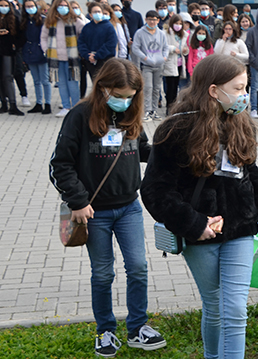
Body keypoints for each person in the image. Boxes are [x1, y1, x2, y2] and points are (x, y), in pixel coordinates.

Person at [140, 54, 258, 359]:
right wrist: (195, 224)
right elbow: (155, 190)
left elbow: (249, 170)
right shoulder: (174, 130)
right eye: (238, 88)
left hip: (242, 228)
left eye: (246, 88)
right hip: (200, 234)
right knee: (216, 305)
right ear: (213, 90)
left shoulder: (239, 122)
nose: (244, 95)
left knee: (235, 308)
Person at [48, 57, 167, 358]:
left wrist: (172, 152)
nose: (125, 102)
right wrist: (78, 201)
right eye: (119, 95)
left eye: (130, 97)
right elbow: (59, 164)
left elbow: (143, 151)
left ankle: (138, 327)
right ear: (102, 88)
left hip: (129, 207)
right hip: (94, 213)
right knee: (103, 274)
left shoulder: (131, 114)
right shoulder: (79, 116)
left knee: (138, 268)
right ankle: (106, 331)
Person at [41, 0, 84, 117]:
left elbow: (83, 35)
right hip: (56, 59)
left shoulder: (76, 21)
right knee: (62, 84)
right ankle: (66, 106)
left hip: (72, 59)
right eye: (60, 6)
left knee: (73, 84)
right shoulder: (50, 22)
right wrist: (46, 51)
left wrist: (80, 51)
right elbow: (43, 38)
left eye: (65, 6)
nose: (63, 8)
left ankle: (75, 107)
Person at [132, 10, 167, 121]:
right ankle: (147, 110)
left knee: (157, 88)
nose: (152, 22)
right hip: (146, 65)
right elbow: (135, 48)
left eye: (154, 19)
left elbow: (166, 47)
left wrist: (164, 57)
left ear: (158, 20)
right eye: (150, 19)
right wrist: (145, 58)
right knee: (148, 88)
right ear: (146, 20)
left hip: (159, 64)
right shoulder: (140, 33)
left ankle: (154, 111)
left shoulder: (161, 33)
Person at [22, 0, 52, 114]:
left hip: (41, 51)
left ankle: (47, 103)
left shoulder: (43, 20)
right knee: (36, 80)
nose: (30, 8)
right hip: (29, 51)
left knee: (45, 80)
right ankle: (39, 103)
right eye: (27, 6)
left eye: (32, 6)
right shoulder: (24, 21)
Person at [0, 0, 24, 115]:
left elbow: (21, 35)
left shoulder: (14, 18)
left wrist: (15, 44)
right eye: (1, 6)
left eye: (5, 5)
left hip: (8, 52)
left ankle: (13, 104)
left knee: (7, 77)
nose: (3, 8)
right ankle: (3, 103)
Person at [163, 13, 188, 114]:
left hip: (179, 63)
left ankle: (173, 106)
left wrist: (185, 50)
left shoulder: (184, 34)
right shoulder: (166, 33)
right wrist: (173, 49)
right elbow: (164, 46)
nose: (178, 25)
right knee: (170, 87)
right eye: (176, 23)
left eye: (180, 23)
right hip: (170, 62)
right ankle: (169, 107)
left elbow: (186, 47)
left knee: (176, 86)